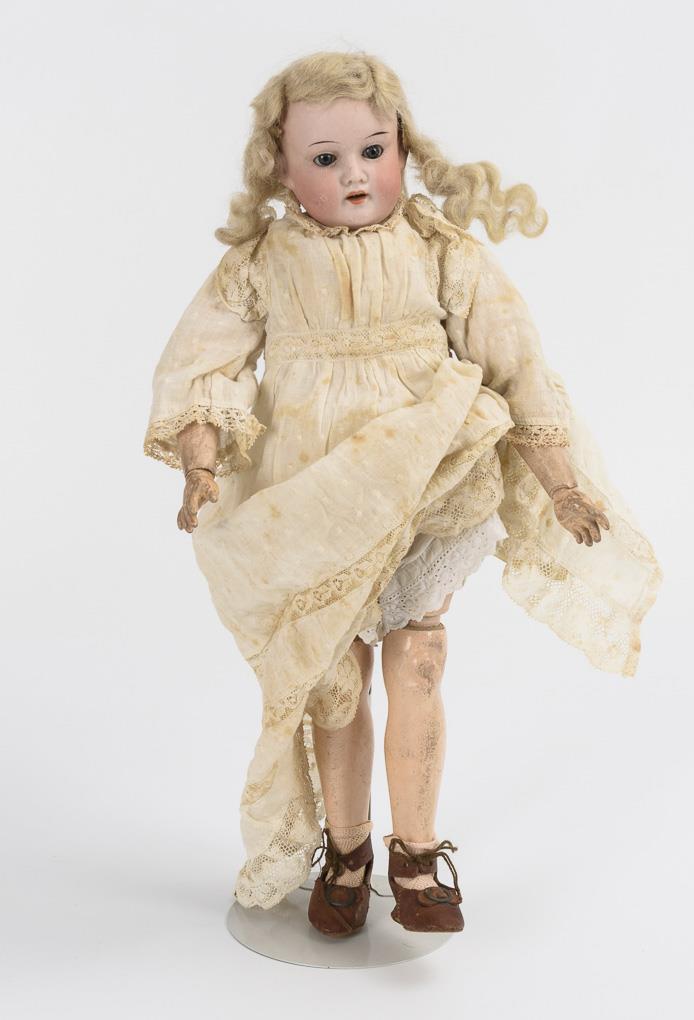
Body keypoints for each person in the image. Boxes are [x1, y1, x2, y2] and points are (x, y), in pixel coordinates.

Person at [143, 50, 661, 936]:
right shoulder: (262, 264)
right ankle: (346, 852)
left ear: (405, 150)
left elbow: (515, 361)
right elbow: (204, 366)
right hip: (316, 493)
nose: (355, 174)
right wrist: (201, 463)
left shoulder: (439, 250)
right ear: (281, 168)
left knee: (419, 657)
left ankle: (416, 855)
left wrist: (562, 484)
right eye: (325, 157)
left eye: (373, 150)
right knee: (336, 674)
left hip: (429, 471)